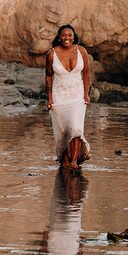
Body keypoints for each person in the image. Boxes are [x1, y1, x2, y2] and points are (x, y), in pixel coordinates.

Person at [45, 24, 91, 169]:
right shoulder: (51, 54)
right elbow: (48, 77)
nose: (67, 38)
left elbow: (86, 74)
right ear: (59, 37)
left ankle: (73, 161)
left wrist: (86, 94)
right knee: (64, 131)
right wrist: (50, 99)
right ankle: (65, 159)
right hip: (59, 97)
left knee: (76, 129)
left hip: (77, 96)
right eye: (64, 35)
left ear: (73, 36)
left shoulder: (81, 51)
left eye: (69, 35)